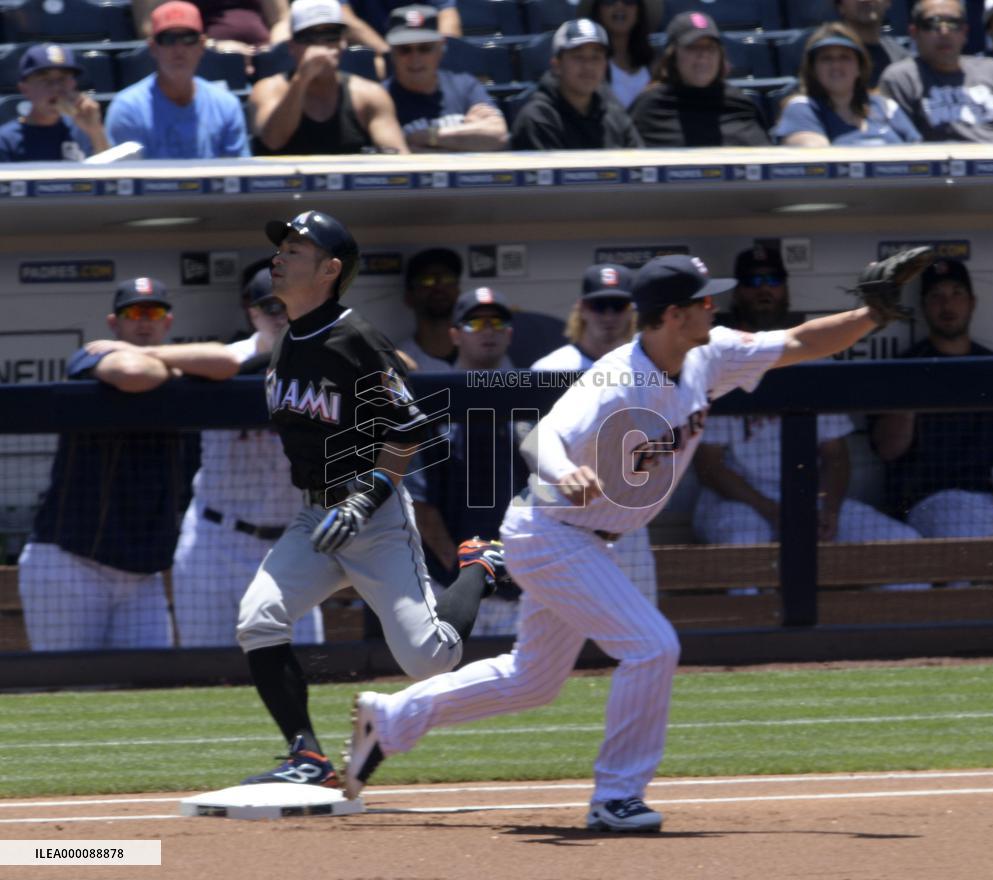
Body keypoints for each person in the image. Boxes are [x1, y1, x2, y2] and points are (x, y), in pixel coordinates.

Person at [343, 250, 909, 832]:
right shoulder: (617, 379)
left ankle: (390, 719)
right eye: (701, 301)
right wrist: (564, 472)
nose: (713, 307)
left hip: (586, 536)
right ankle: (616, 795)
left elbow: (797, 343)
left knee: (531, 681)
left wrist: (871, 315)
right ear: (670, 315)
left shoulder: (706, 353)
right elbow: (543, 439)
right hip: (551, 532)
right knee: (653, 645)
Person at [236, 210, 503, 788]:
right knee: (259, 618)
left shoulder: (354, 337)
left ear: (330, 270)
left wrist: (363, 499)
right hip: (316, 514)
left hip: (374, 516)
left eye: (296, 249)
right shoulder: (288, 339)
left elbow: (410, 427)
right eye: (281, 245)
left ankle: (479, 566)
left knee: (429, 659)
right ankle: (306, 756)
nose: (280, 254)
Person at [16, 279, 241, 652]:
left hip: (141, 575)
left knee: (148, 691)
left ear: (167, 322)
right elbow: (132, 373)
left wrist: (163, 360)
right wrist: (175, 369)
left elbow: (227, 361)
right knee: (69, 691)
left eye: (153, 312)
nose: (143, 322)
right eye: (133, 313)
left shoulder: (163, 358)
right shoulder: (92, 356)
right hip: (71, 563)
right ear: (113, 322)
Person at [691, 248, 929, 593]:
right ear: (738, 292)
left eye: (772, 280)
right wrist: (775, 512)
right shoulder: (721, 356)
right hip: (739, 502)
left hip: (807, 499)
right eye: (754, 282)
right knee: (744, 550)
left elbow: (836, 455)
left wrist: (829, 510)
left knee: (903, 546)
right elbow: (710, 468)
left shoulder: (814, 360)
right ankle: (752, 643)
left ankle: (891, 646)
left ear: (786, 289)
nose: (764, 290)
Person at [171, 268, 323, 647]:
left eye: (291, 304)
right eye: (271, 306)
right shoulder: (221, 363)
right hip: (216, 539)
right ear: (252, 313)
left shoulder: (331, 363)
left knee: (306, 667)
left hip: (289, 543)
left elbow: (402, 367)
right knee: (206, 674)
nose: (281, 313)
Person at [531, 264, 658, 608]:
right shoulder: (550, 369)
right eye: (599, 305)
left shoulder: (649, 365)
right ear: (582, 308)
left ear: (631, 310)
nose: (608, 315)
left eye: (617, 305)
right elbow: (533, 447)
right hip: (567, 517)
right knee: (560, 634)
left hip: (628, 516)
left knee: (643, 622)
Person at [407, 287, 525, 636]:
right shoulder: (431, 400)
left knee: (528, 689)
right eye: (475, 322)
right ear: (455, 334)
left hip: (517, 589)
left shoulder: (529, 400)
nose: (488, 330)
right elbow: (421, 507)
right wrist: (467, 579)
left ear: (509, 333)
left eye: (496, 322)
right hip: (449, 587)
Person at [871, 258, 993, 538]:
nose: (947, 305)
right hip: (932, 499)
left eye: (956, 294)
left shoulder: (992, 367)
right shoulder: (905, 369)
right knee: (967, 534)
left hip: (992, 496)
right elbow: (888, 449)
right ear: (923, 306)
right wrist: (910, 400)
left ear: (972, 302)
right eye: (936, 296)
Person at [248, 0, 408, 155]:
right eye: (309, 38)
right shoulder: (268, 90)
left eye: (330, 36)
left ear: (343, 42)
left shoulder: (369, 95)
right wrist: (301, 80)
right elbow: (273, 141)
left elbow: (398, 160)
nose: (321, 46)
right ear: (292, 46)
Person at [105, 1, 251, 158]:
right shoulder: (128, 109)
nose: (179, 49)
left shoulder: (226, 106)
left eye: (188, 38)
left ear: (202, 45)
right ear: (153, 48)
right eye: (168, 39)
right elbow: (121, 178)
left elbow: (239, 175)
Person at [629, 11, 771, 148]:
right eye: (693, 47)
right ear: (672, 56)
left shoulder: (740, 105)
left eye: (711, 47)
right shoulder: (650, 107)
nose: (703, 55)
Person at [384, 4, 508, 152]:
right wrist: (467, 134)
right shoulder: (382, 97)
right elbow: (398, 156)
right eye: (405, 50)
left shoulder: (465, 86)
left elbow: (498, 135)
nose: (415, 58)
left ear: (441, 48)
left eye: (425, 48)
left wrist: (428, 137)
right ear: (392, 53)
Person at [774, 23, 922, 147]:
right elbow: (818, 162)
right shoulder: (801, 108)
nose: (836, 65)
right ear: (813, 69)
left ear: (860, 67)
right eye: (826, 59)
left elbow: (919, 154)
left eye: (845, 57)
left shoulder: (885, 107)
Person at [510, 19, 643, 151]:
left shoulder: (615, 116)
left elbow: (640, 166)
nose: (588, 66)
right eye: (578, 57)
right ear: (557, 65)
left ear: (605, 65)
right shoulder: (538, 119)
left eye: (596, 57)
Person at [879, 0, 993, 142]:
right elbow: (903, 143)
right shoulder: (901, 78)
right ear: (914, 32)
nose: (944, 32)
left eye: (953, 23)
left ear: (965, 32)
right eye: (932, 23)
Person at [0, 43, 109, 162]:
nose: (56, 87)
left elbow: (110, 176)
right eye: (45, 80)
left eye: (63, 79)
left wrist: (95, 131)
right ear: (25, 89)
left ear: (73, 84)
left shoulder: (83, 130)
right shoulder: (6, 140)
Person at [131, 0, 291, 60]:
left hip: (263, 59)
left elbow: (282, 20)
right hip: (199, 63)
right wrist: (214, 49)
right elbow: (150, 29)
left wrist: (273, 53)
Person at [578, 0, 658, 110]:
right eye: (609, 1)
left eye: (628, 1)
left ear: (639, 10)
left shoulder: (656, 62)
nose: (619, 5)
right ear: (597, 10)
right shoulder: (585, 64)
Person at [396, 247, 462, 371]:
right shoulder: (399, 361)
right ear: (409, 297)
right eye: (427, 280)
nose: (439, 287)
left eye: (448, 279)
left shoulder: (484, 352)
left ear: (459, 292)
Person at [834, 0, 910, 85]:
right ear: (840, 6)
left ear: (888, 2)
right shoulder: (824, 57)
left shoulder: (903, 59)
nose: (865, 1)